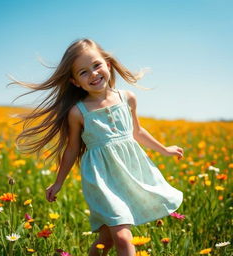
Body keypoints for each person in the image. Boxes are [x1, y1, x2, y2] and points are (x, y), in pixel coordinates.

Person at [14, 38, 184, 256]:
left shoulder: (128, 98)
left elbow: (137, 132)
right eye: (83, 72)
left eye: (96, 65)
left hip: (129, 175)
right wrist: (58, 182)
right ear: (75, 82)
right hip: (102, 181)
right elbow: (72, 149)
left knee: (107, 239)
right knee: (123, 238)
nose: (93, 74)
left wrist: (165, 150)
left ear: (108, 65)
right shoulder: (78, 112)